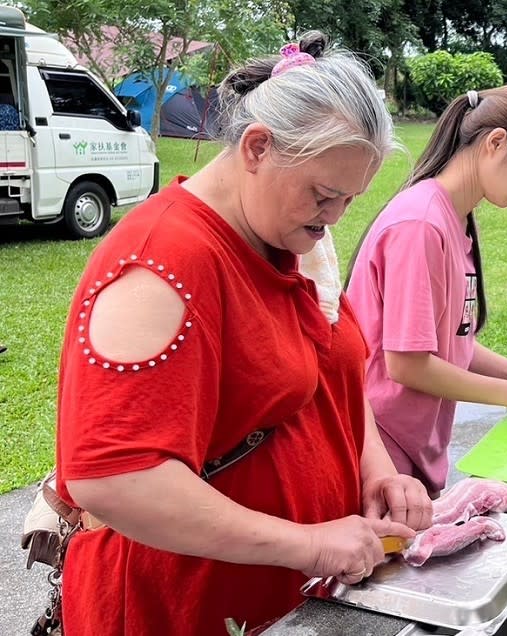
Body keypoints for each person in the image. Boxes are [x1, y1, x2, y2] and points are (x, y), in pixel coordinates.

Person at [54, 33, 432, 636]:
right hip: (181, 605)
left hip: (283, 595)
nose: (334, 217)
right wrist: (305, 542)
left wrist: (375, 472)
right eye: (324, 194)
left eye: (348, 200)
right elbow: (113, 479)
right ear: (257, 147)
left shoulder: (291, 233)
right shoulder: (163, 263)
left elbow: (332, 376)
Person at [346, 84, 507, 496]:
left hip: (412, 444)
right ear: (496, 142)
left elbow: (451, 341)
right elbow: (406, 364)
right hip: (380, 446)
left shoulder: (454, 219)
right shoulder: (420, 224)